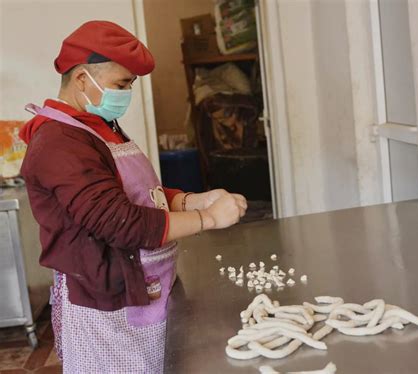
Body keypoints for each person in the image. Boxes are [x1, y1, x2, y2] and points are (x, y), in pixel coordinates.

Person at [19, 20, 247, 373]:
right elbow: (118, 222)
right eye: (121, 84)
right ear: (82, 79)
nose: (125, 93)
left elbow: (139, 193)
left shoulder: (99, 127)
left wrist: (192, 200)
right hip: (106, 299)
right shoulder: (59, 142)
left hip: (144, 283)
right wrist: (210, 219)